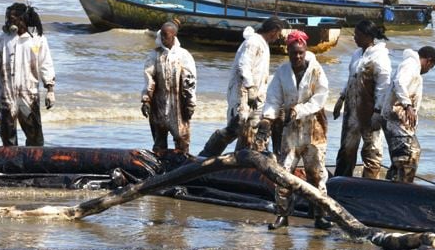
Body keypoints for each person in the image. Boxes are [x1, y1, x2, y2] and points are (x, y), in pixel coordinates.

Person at [257, 30, 331, 230]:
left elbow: (320, 97)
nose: (297, 56)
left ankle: (319, 215)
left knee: (316, 173)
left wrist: (299, 110)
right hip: (290, 131)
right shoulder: (282, 72)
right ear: (287, 51)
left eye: (300, 52)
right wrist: (267, 119)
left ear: (305, 50)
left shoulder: (316, 70)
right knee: (283, 173)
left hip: (314, 128)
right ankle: (282, 214)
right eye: (293, 53)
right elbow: (273, 98)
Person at [199, 17, 284, 157]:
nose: (278, 37)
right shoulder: (253, 43)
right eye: (278, 33)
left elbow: (260, 71)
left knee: (251, 129)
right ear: (273, 31)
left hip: (256, 94)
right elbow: (243, 65)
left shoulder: (263, 44)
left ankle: (242, 158)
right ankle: (208, 153)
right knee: (237, 126)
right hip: (243, 92)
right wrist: (250, 87)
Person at [0, 3, 56, 146]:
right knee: (7, 135)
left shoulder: (37, 39)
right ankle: (10, 165)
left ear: (23, 20)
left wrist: (50, 90)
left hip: (29, 94)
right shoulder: (4, 38)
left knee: (35, 136)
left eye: (12, 19)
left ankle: (34, 164)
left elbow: (46, 65)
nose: (9, 22)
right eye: (8, 19)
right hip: (5, 93)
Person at [333, 19, 391, 179]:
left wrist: (377, 112)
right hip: (352, 110)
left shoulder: (380, 57)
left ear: (367, 36)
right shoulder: (357, 54)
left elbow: (383, 87)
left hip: (369, 110)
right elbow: (352, 79)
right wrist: (341, 98)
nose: (355, 38)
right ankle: (342, 182)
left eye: (357, 35)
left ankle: (369, 184)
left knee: (372, 150)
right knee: (346, 149)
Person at [382, 46, 435, 182]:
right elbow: (399, 82)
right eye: (430, 68)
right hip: (395, 119)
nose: (428, 71)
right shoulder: (410, 65)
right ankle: (401, 188)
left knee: (404, 157)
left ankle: (393, 182)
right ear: (429, 61)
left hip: (400, 121)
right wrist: (407, 105)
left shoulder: (413, 67)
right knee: (408, 155)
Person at [141, 21, 197, 154]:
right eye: (162, 35)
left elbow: (190, 81)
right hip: (158, 105)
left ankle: (181, 170)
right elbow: (149, 79)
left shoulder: (183, 55)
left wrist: (190, 104)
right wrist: (146, 101)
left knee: (182, 141)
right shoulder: (154, 55)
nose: (162, 38)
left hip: (178, 106)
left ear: (173, 36)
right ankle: (160, 170)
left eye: (165, 35)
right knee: (159, 143)